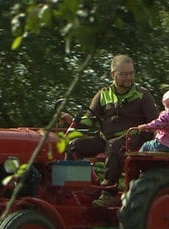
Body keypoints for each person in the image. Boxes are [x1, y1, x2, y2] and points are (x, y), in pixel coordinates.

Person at [62, 54, 159, 207]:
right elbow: (90, 120)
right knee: (74, 145)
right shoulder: (103, 94)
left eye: (131, 73)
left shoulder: (143, 95)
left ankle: (108, 192)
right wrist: (74, 120)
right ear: (113, 74)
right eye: (124, 74)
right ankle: (75, 188)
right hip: (106, 139)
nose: (129, 78)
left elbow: (155, 123)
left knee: (113, 146)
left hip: (132, 138)